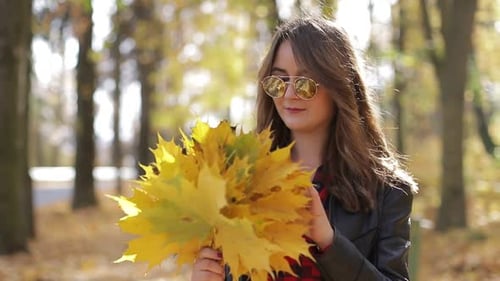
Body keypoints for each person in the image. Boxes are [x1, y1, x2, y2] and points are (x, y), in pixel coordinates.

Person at [191, 16, 418, 281]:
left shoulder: (388, 191)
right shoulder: (238, 180)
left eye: (305, 81)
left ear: (338, 86)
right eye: (279, 81)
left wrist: (329, 241)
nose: (288, 94)